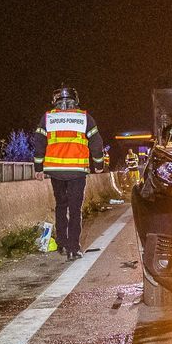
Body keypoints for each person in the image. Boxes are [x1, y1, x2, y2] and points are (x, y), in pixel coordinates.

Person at [30, 84, 105, 260]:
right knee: (75, 208)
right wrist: (99, 164)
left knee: (61, 206)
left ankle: (62, 243)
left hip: (56, 171)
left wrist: (38, 168)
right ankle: (74, 248)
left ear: (55, 100)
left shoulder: (47, 118)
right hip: (77, 171)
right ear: (75, 100)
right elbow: (96, 143)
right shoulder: (85, 117)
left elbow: (39, 144)